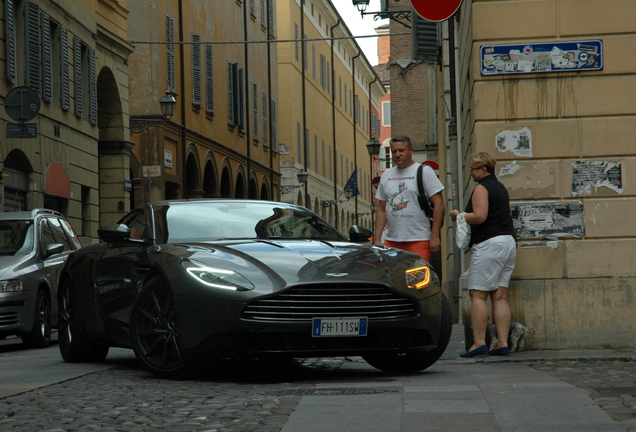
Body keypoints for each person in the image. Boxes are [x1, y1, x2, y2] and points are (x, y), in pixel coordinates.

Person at [450, 151, 516, 357]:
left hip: (489, 244)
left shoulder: (482, 188)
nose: (470, 173)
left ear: (483, 169)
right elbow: (508, 213)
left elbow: (479, 216)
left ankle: (478, 342)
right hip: (508, 242)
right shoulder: (501, 188)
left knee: (477, 295)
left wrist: (458, 215)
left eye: (473, 169)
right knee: (499, 296)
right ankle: (502, 343)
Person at [373, 135, 445, 263]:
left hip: (419, 239)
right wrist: (377, 240)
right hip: (391, 241)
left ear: (411, 150)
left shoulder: (424, 171)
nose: (397, 154)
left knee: (419, 279)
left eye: (402, 150)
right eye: (394, 151)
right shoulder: (386, 176)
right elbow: (382, 209)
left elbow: (439, 204)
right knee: (393, 280)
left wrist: (435, 236)